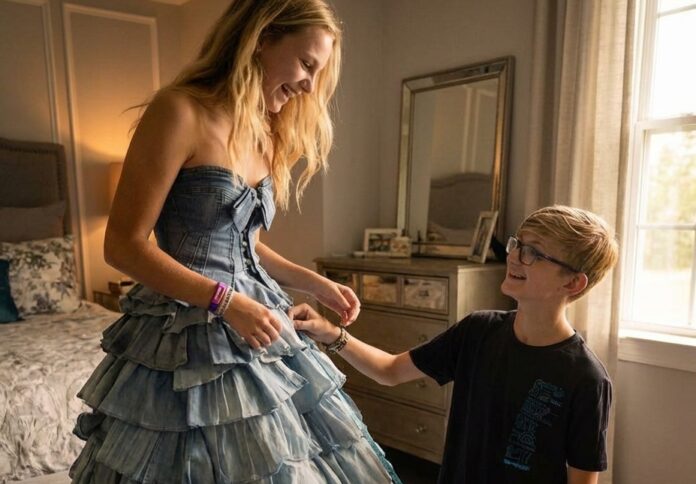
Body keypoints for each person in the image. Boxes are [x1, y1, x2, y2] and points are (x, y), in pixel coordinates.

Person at [69, 1, 400, 482]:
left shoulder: (264, 132)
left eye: (318, 73)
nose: (310, 86)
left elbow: (242, 243)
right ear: (262, 39)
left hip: (257, 316)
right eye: (306, 64)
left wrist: (313, 283)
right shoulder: (179, 111)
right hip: (187, 325)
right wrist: (225, 302)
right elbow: (123, 245)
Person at [292, 205, 619, 484]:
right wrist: (330, 332)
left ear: (572, 282)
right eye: (518, 244)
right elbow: (390, 371)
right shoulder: (478, 331)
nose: (514, 256)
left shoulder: (587, 378)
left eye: (533, 252)